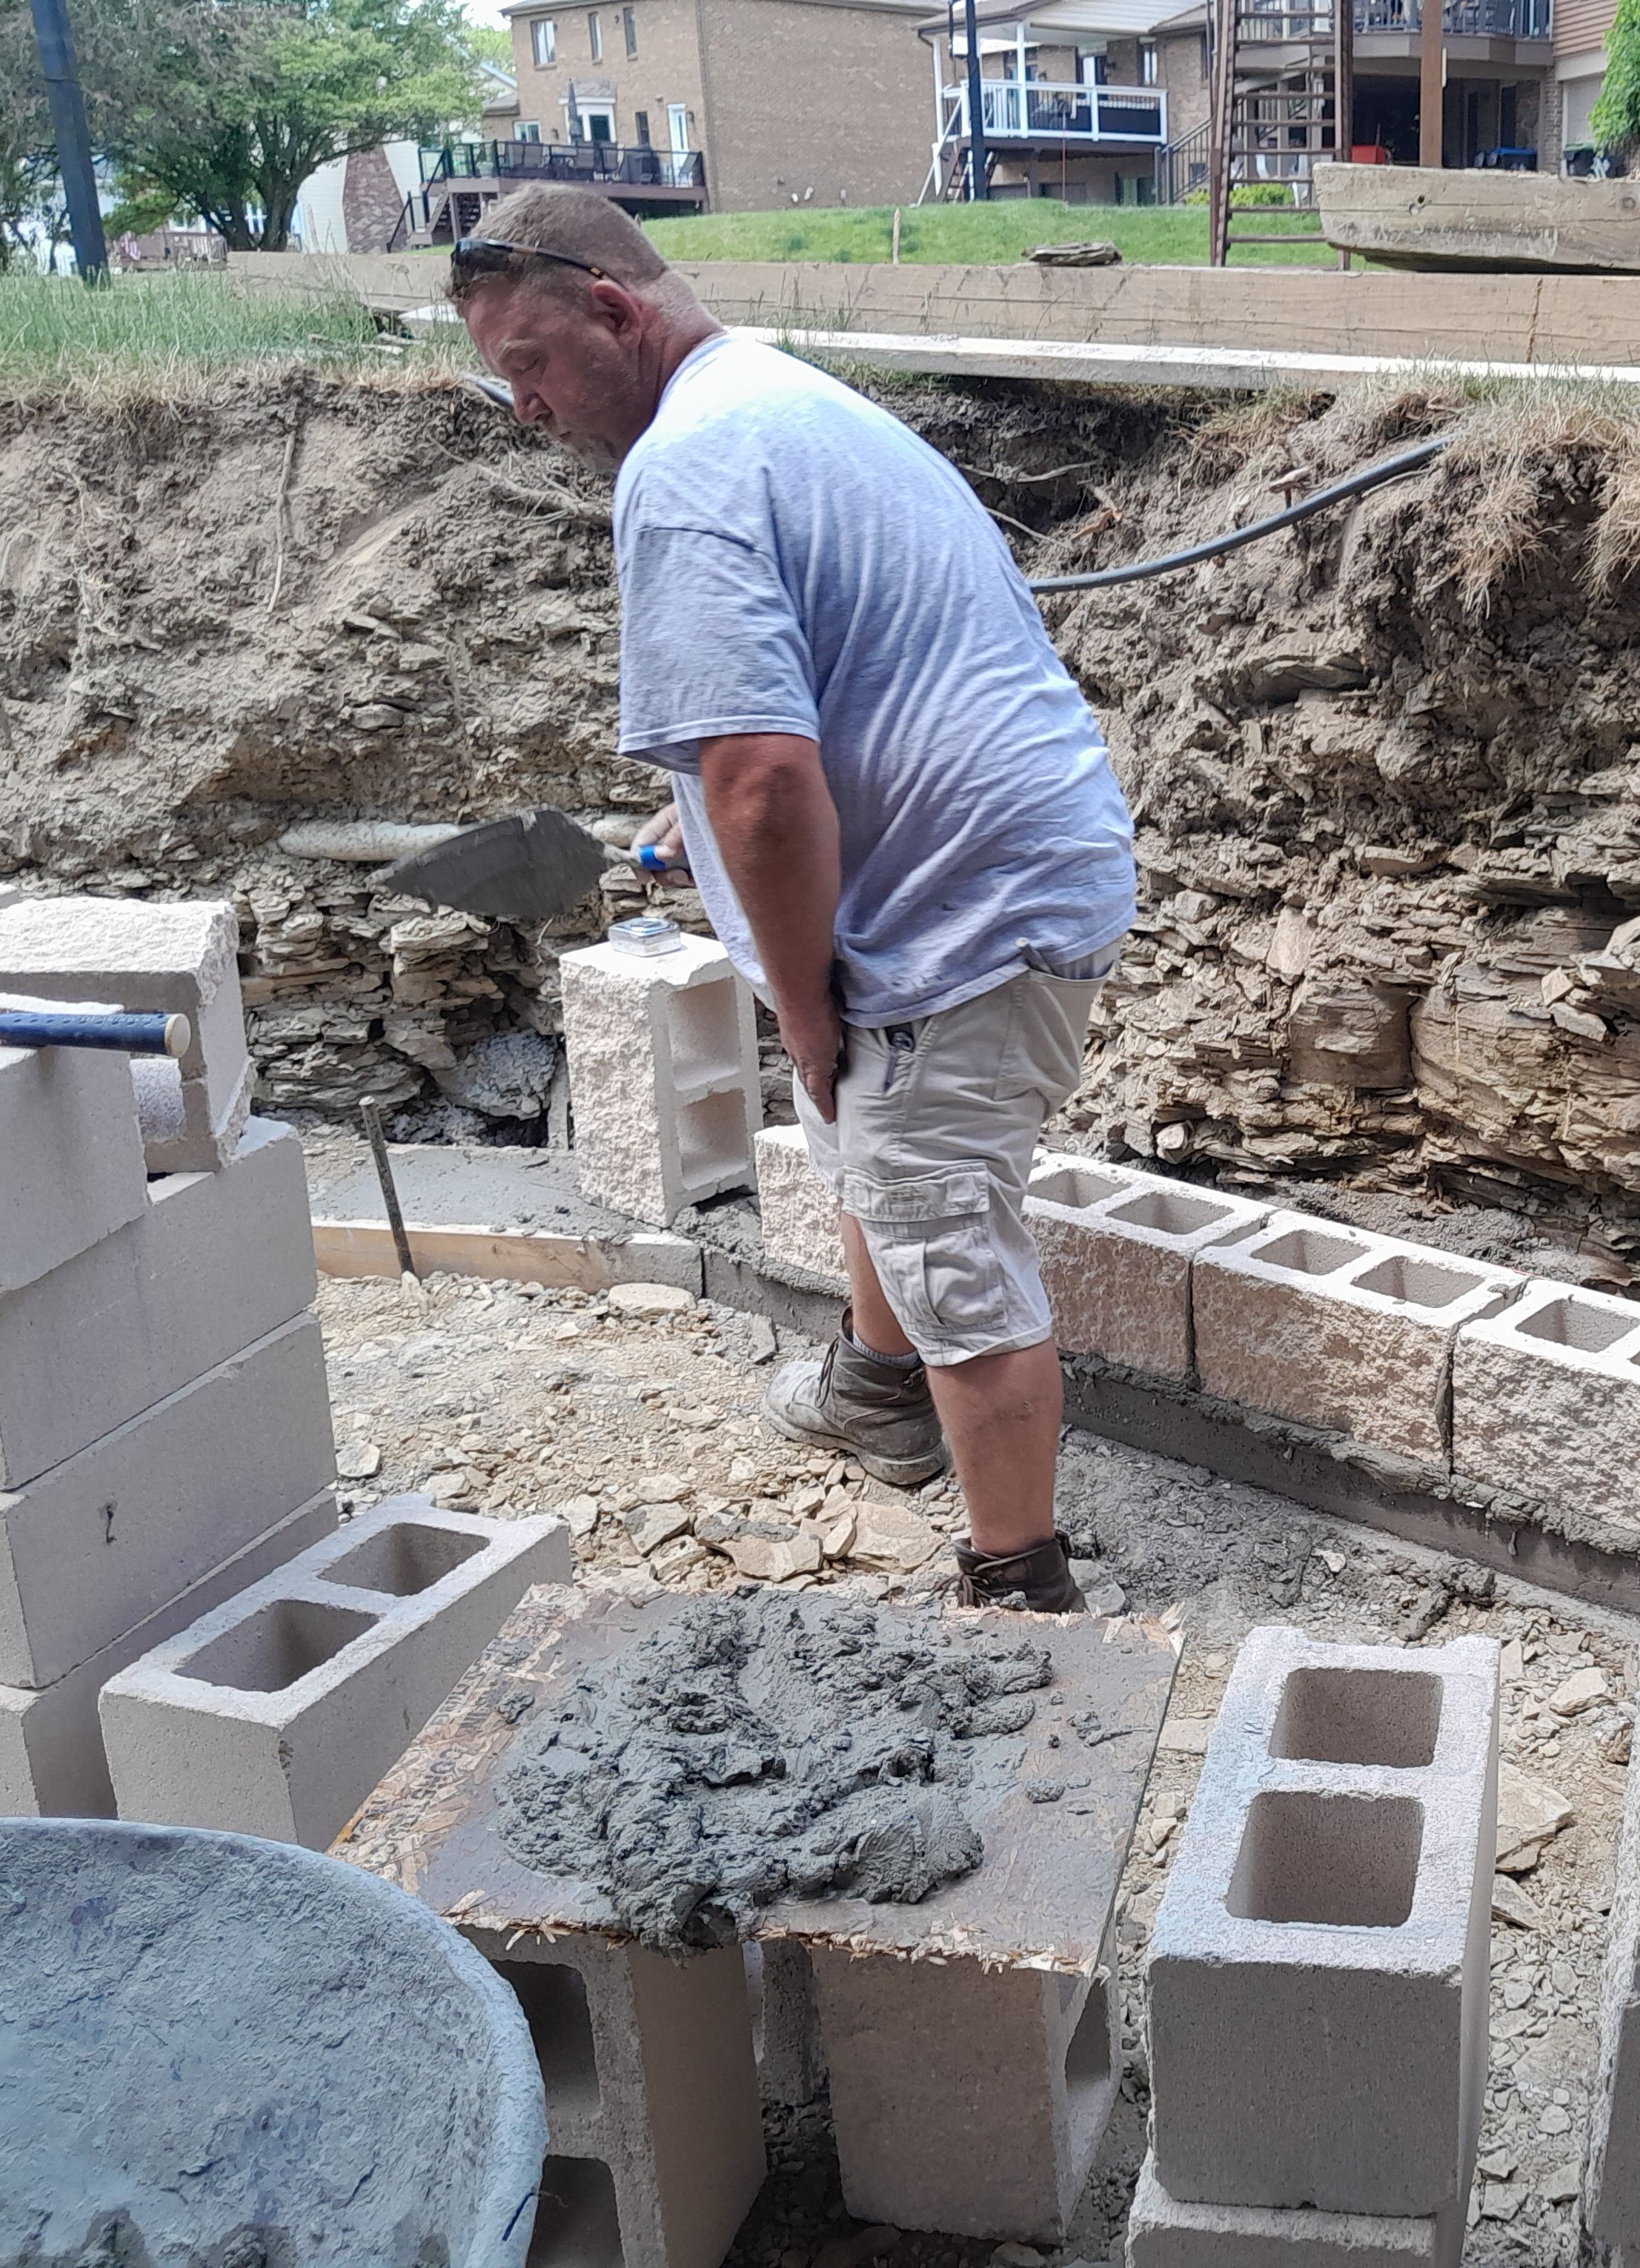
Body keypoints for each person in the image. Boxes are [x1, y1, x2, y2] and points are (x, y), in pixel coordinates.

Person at [451, 185, 1135, 1614]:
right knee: (866, 1147)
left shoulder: (684, 469)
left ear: (615, 312)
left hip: (960, 914)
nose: (524, 409)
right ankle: (879, 1395)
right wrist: (691, 809)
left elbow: (766, 782)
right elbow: (814, 693)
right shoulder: (782, 403)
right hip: (1017, 859)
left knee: (939, 1222)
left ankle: (1019, 1582)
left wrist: (811, 1002)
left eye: (529, 366)